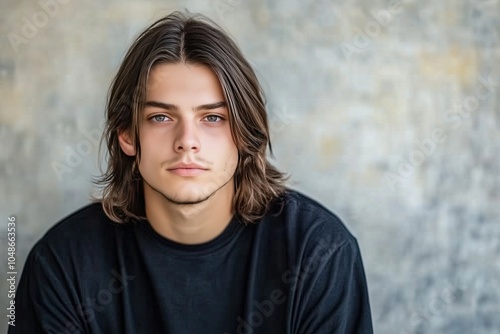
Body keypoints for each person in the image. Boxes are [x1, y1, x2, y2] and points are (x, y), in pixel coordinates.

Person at [11, 11, 373, 334]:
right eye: (161, 117)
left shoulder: (319, 253)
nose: (187, 141)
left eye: (213, 118)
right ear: (127, 135)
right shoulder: (63, 263)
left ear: (244, 133)